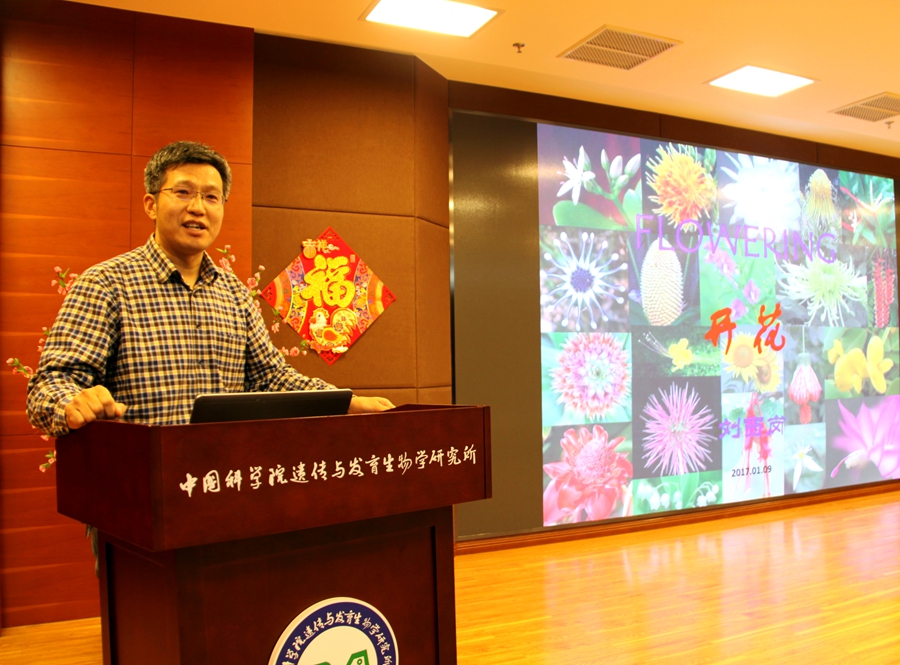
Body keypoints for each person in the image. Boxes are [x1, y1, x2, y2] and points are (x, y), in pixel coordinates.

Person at [26, 141, 393, 438]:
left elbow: (272, 379)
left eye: (212, 197)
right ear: (151, 204)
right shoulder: (106, 284)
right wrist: (71, 402)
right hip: (137, 489)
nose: (198, 208)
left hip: (220, 483)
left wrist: (345, 402)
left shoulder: (234, 294)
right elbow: (50, 385)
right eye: (183, 192)